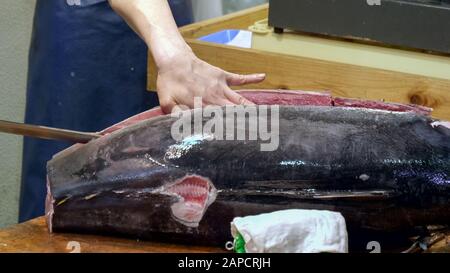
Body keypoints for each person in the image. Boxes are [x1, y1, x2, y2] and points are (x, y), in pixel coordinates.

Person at [19, 0, 265, 222]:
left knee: (169, 199)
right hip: (90, 33)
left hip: (169, 27)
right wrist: (174, 57)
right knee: (73, 194)